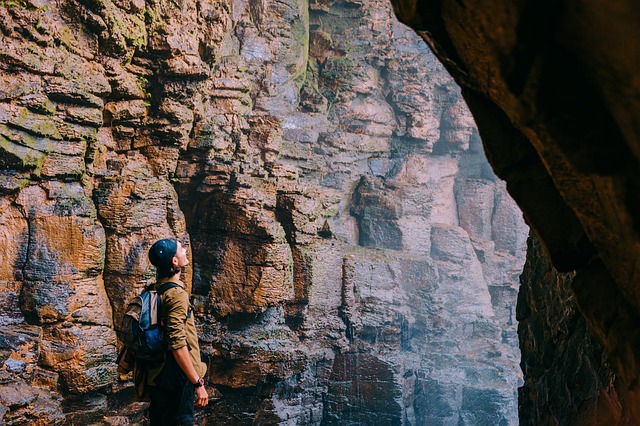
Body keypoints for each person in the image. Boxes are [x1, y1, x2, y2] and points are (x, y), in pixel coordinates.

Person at [146, 238, 209, 425]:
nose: (184, 250)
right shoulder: (176, 295)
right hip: (176, 380)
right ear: (175, 261)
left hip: (158, 376)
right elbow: (177, 343)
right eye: (181, 248)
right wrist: (197, 383)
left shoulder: (155, 290)